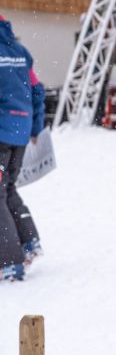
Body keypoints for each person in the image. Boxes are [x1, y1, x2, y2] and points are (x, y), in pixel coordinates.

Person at [0, 15, 45, 282]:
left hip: (2, 133)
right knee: (7, 189)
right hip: (19, 132)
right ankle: (29, 241)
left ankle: (9, 262)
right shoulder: (19, 51)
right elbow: (37, 90)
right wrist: (35, 127)